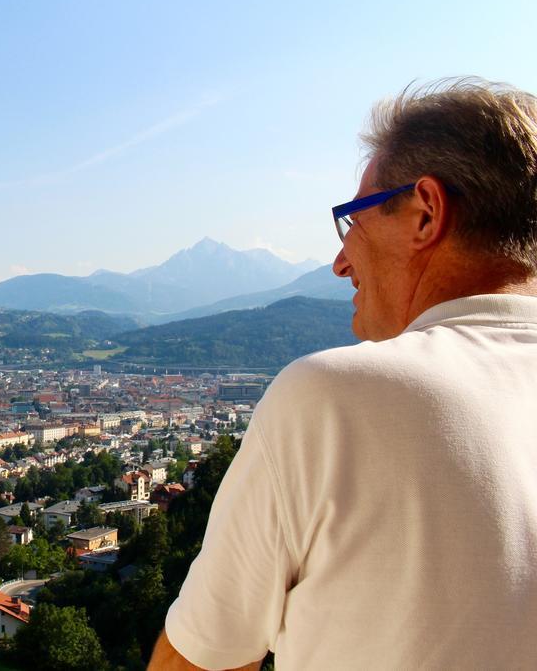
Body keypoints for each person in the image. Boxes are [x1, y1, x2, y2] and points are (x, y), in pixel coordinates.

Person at [149, 78, 537, 670]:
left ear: (425, 213)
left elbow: (203, 659)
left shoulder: (337, 399)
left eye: (351, 219)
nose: (338, 262)